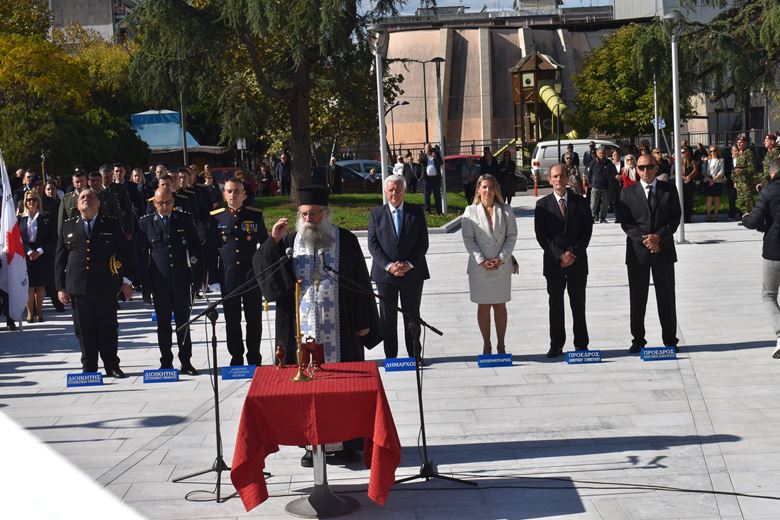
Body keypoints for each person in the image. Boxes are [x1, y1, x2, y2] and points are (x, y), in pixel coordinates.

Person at [253, 184, 382, 468]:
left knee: (343, 388)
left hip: (341, 327)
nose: (308, 219)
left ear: (326, 213)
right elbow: (267, 274)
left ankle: (347, 441)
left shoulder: (345, 240)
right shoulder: (289, 241)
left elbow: (360, 282)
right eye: (304, 214)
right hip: (300, 329)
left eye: (313, 214)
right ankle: (311, 445)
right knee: (306, 390)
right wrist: (272, 242)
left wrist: (364, 322)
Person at [55, 189, 134, 377]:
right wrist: (60, 287)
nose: (86, 199)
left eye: (90, 197)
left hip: (105, 285)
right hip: (78, 287)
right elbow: (59, 259)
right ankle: (89, 367)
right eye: (82, 197)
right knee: (84, 329)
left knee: (108, 327)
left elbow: (126, 254)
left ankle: (111, 365)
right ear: (77, 205)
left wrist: (126, 281)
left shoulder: (111, 224)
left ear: (98, 203)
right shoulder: (68, 226)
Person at [136, 188, 203, 374]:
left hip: (181, 280)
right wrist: (146, 286)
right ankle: (166, 361)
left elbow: (196, 249)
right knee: (163, 324)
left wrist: (198, 278)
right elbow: (141, 257)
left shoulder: (184, 219)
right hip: (160, 282)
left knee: (183, 323)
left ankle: (186, 361)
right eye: (160, 203)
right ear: (154, 203)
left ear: (173, 202)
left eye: (167, 202)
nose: (164, 206)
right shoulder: (145, 223)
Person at [619, 153, 681, 354]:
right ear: (636, 169)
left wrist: (659, 237)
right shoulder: (627, 192)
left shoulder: (669, 190)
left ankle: (670, 340)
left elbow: (675, 218)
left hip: (663, 250)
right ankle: (638, 339)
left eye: (649, 166)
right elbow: (626, 223)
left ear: (656, 168)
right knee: (638, 298)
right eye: (641, 167)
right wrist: (647, 240)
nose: (645, 171)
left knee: (666, 297)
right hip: (638, 253)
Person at [367, 175, 430, 361]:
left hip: (412, 273)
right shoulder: (376, 214)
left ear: (404, 191)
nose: (394, 193)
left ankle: (414, 354)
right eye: (391, 190)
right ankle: (391, 357)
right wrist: (389, 266)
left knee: (412, 315)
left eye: (397, 189)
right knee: (387, 317)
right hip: (385, 275)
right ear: (385, 192)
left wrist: (408, 264)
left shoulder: (416, 212)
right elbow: (373, 245)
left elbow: (423, 243)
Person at [206, 178, 268, 366]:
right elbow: (211, 250)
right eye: (229, 191)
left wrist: (264, 273)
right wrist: (213, 278)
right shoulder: (217, 217)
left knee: (253, 319)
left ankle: (254, 356)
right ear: (224, 195)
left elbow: (264, 245)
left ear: (244, 195)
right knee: (232, 319)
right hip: (228, 275)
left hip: (251, 275)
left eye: (237, 191)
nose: (233, 195)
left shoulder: (254, 215)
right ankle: (236, 356)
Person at [534, 164, 593, 357]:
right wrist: (560, 255)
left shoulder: (581, 202)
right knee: (556, 305)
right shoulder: (542, 205)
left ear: (568, 178)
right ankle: (556, 344)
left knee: (579, 304)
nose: (558, 180)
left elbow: (586, 232)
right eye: (555, 176)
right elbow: (542, 236)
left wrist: (572, 253)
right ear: (549, 180)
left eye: (562, 176)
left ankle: (581, 345)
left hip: (577, 262)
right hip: (554, 263)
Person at [461, 174, 518, 355]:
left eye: (491, 187)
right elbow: (468, 239)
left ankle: (501, 345)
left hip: (501, 267)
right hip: (480, 269)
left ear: (496, 190)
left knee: (500, 306)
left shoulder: (506, 210)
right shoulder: (470, 211)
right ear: (478, 189)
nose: (487, 190)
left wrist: (501, 258)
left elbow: (511, 236)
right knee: (483, 307)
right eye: (484, 187)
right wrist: (481, 260)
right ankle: (487, 345)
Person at [741, 158, 780, 358]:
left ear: (772, 173)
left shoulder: (768, 191)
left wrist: (745, 218)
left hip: (774, 250)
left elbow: (755, 220)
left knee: (769, 294)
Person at [18, 191, 53, 323]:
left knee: (40, 285)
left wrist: (38, 251)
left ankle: (39, 312)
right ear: (25, 202)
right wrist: (28, 251)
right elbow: (18, 239)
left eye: (34, 199)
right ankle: (30, 313)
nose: (31, 202)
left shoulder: (45, 217)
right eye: (28, 200)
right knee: (29, 286)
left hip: (41, 254)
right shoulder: (20, 218)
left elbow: (50, 238)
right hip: (26, 254)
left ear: (38, 201)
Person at [587, 147, 617, 223]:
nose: (601, 154)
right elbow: (589, 174)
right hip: (595, 186)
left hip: (606, 186)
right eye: (600, 153)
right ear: (597, 154)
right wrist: (589, 182)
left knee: (605, 204)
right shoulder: (593, 163)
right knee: (593, 204)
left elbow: (613, 172)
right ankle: (591, 217)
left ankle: (603, 218)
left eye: (603, 153)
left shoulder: (609, 162)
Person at [733, 135, 757, 214]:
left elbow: (752, 168)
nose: (739, 144)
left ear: (745, 143)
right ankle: (745, 217)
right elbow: (736, 168)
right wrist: (735, 181)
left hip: (746, 181)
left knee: (748, 201)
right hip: (739, 182)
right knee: (741, 201)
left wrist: (742, 171)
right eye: (738, 142)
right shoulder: (739, 153)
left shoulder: (749, 153)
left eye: (741, 142)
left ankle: (754, 217)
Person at [702, 145, 725, 222]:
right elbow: (703, 171)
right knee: (709, 198)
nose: (713, 152)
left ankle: (715, 215)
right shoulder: (707, 160)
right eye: (711, 151)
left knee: (717, 198)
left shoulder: (721, 160)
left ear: (717, 151)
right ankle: (708, 215)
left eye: (714, 150)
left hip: (717, 181)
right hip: (708, 180)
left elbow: (721, 171)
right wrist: (710, 180)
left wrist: (714, 180)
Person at [419, 144, 443, 214]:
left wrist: (435, 157)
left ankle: (439, 211)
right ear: (425, 149)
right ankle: (427, 210)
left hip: (436, 178)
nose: (428, 149)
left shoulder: (436, 154)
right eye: (427, 148)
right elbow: (420, 161)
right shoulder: (423, 155)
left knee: (437, 194)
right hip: (426, 178)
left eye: (429, 147)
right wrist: (426, 154)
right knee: (426, 195)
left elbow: (441, 163)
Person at [680, 149, 699, 223]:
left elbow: (695, 171)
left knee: (689, 201)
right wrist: (684, 178)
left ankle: (688, 218)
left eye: (683, 152)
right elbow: (677, 171)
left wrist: (689, 177)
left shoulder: (692, 161)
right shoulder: (680, 161)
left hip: (690, 183)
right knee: (683, 200)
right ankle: (683, 218)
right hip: (682, 183)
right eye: (681, 153)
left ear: (687, 152)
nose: (682, 154)